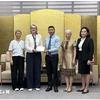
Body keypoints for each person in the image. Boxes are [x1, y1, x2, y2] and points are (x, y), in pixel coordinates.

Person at [76, 27, 94, 94]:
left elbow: (91, 50)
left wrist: (90, 59)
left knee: (86, 73)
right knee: (82, 73)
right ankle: (83, 87)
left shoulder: (90, 40)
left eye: (84, 31)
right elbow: (77, 50)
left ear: (87, 33)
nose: (83, 33)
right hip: (80, 57)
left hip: (86, 58)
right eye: (82, 31)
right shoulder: (79, 40)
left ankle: (86, 88)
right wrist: (76, 58)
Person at [25, 24, 42, 92]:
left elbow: (41, 44)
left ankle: (37, 85)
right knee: (30, 70)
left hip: (37, 54)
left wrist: (40, 49)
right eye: (32, 28)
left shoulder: (39, 36)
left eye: (34, 28)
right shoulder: (28, 36)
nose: (33, 29)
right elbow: (26, 46)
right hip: (30, 54)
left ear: (36, 29)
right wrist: (32, 49)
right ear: (30, 29)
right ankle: (30, 85)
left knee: (37, 70)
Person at [44, 26, 60, 92]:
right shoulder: (46, 38)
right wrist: (44, 49)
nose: (50, 31)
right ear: (48, 31)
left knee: (55, 71)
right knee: (48, 71)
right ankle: (49, 85)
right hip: (47, 56)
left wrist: (48, 50)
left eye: (52, 30)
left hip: (54, 56)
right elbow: (45, 46)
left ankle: (55, 86)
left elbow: (57, 48)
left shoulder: (57, 38)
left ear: (54, 30)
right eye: (49, 30)